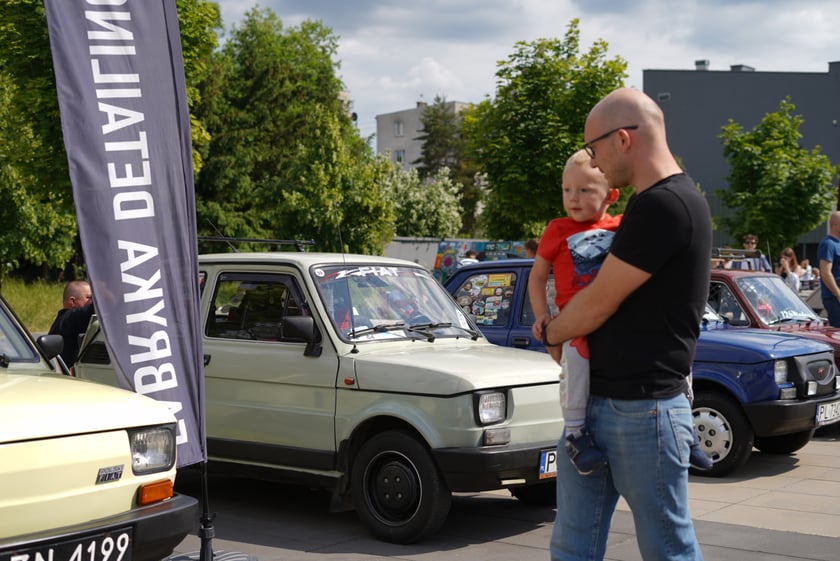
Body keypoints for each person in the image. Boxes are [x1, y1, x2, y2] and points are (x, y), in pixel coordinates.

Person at [539, 88, 710, 561]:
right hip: (605, 403)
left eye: (593, 148)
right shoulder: (652, 203)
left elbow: (599, 302)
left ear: (623, 139)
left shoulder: (665, 205)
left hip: (643, 411)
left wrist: (551, 333)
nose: (593, 161)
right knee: (572, 546)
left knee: (667, 551)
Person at [529, 150, 621, 475]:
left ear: (611, 196)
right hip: (574, 322)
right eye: (567, 189)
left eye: (584, 190)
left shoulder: (621, 226)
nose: (573, 198)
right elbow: (537, 277)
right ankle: (574, 433)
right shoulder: (557, 229)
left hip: (614, 318)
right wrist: (542, 315)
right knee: (576, 362)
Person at [48, 280, 95, 374]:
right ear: (72, 301)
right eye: (89, 298)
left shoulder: (66, 321)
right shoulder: (68, 319)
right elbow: (93, 308)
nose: (92, 301)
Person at [818, 211, 840, 327]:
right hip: (834, 298)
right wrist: (838, 293)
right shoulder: (828, 244)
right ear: (835, 225)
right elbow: (826, 273)